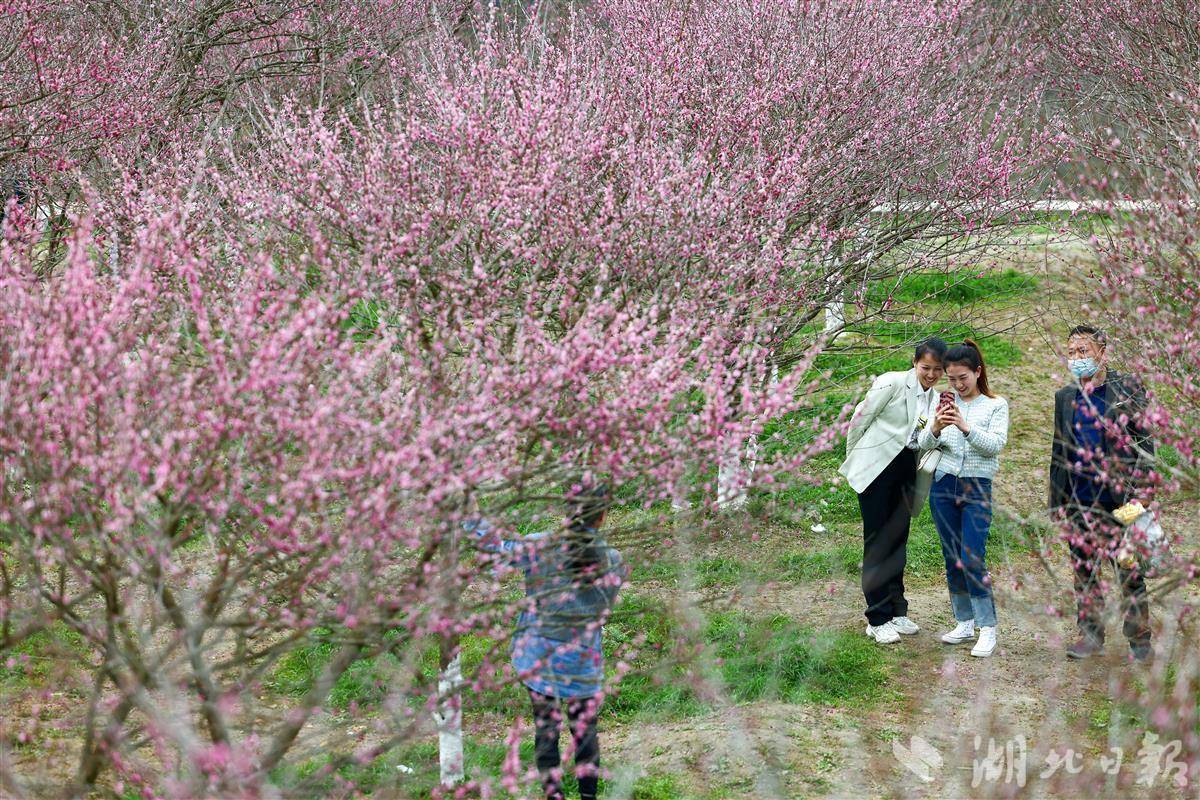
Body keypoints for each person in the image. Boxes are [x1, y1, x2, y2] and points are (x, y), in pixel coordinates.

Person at [467, 483, 627, 800]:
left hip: (539, 659)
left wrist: (468, 514)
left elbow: (496, 546)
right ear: (602, 516)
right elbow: (604, 610)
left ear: (567, 511)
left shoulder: (542, 547)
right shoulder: (613, 560)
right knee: (585, 735)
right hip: (582, 663)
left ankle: (553, 794)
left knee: (546, 730)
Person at [1048, 325, 1155, 662]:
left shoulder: (1127, 389)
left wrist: (1145, 490)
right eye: (1072, 351)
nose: (1077, 358)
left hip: (1120, 500)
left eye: (1084, 350)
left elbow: (1145, 443)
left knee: (1129, 571)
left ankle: (1139, 639)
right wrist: (1056, 501)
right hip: (1079, 500)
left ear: (1102, 352)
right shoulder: (1065, 398)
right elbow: (1058, 450)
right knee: (1085, 572)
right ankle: (1090, 634)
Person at [839, 338, 947, 644]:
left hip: (907, 471)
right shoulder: (892, 383)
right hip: (877, 468)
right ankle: (877, 617)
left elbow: (925, 440)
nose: (930, 374)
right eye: (926, 367)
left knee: (898, 539)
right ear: (914, 362)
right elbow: (860, 420)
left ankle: (897, 609)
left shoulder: (935, 399)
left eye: (937, 369)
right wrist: (855, 460)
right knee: (877, 542)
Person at [919, 340, 1009, 658]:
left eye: (963, 377)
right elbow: (920, 442)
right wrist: (936, 427)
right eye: (951, 378)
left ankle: (988, 628)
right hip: (943, 486)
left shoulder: (996, 405)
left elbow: (996, 445)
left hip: (977, 488)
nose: (957, 384)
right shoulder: (940, 403)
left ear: (977, 372)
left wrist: (965, 426)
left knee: (972, 557)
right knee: (952, 557)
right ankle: (964, 621)